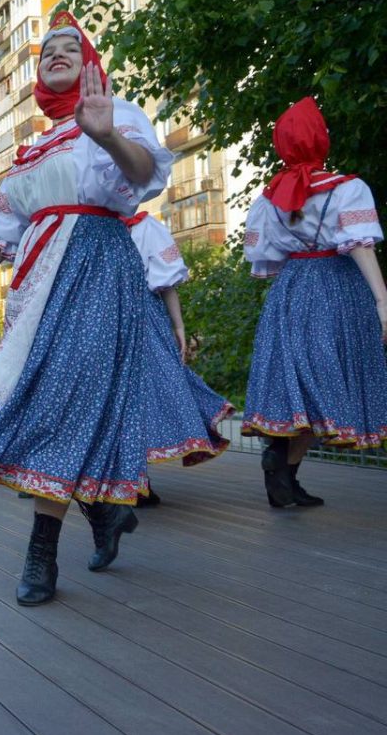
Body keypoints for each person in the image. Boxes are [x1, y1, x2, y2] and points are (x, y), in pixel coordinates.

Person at [0, 11, 172, 606]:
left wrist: (105, 136)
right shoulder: (29, 150)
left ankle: (42, 550)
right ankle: (102, 516)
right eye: (47, 50)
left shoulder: (114, 113)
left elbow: (145, 175)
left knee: (66, 395)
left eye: (71, 46)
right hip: (36, 279)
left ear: (89, 60)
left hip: (97, 265)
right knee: (56, 397)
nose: (57, 52)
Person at [241, 96, 387, 507]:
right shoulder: (347, 189)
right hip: (337, 287)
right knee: (324, 380)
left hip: (290, 289)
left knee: (298, 381)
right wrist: (382, 299)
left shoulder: (268, 200)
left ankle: (284, 473)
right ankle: (284, 468)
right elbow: (360, 246)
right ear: (321, 139)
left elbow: (265, 261)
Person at [125, 211, 233, 505]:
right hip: (144, 320)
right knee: (147, 392)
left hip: (100, 320)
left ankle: (129, 480)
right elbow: (165, 283)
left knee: (116, 397)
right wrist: (178, 326)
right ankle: (134, 481)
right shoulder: (145, 227)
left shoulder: (84, 225)